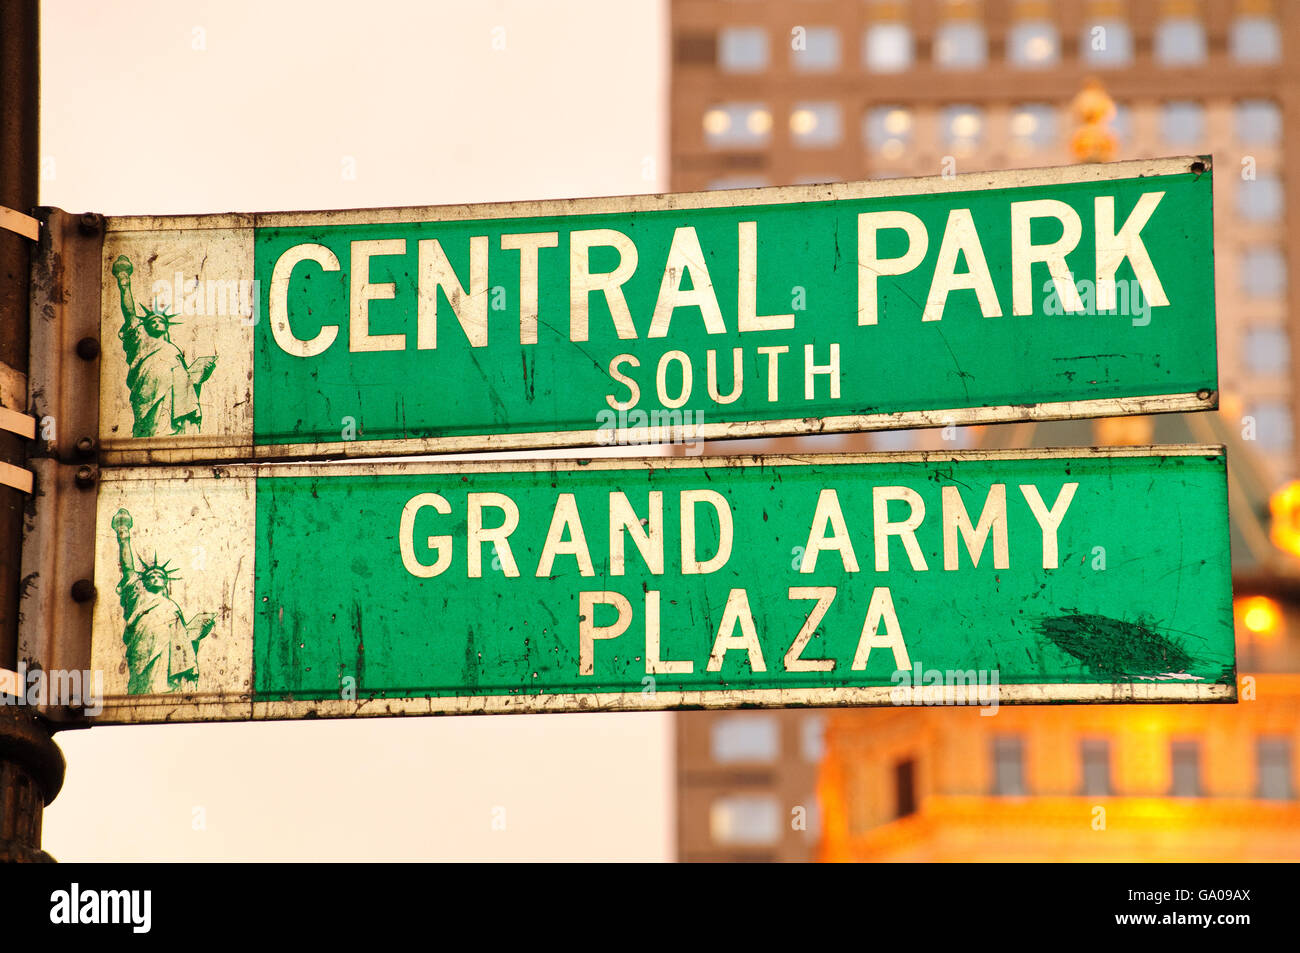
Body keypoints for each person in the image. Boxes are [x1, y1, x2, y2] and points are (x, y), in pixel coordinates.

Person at [111, 508, 215, 695]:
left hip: (167, 652)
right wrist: (124, 538)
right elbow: (128, 569)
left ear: (166, 582)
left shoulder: (172, 606)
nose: (155, 577)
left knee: (164, 687)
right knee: (143, 687)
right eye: (150, 575)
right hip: (142, 645)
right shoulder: (137, 597)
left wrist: (199, 630)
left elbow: (183, 639)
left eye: (159, 576)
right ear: (144, 582)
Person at [111, 255, 216, 437]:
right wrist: (124, 284)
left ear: (167, 326)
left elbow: (186, 383)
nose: (157, 322)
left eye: (161, 321)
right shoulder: (141, 340)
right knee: (150, 430)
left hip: (174, 403)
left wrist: (198, 372)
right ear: (146, 325)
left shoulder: (173, 349)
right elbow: (130, 315)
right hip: (147, 393)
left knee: (174, 431)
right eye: (152, 320)